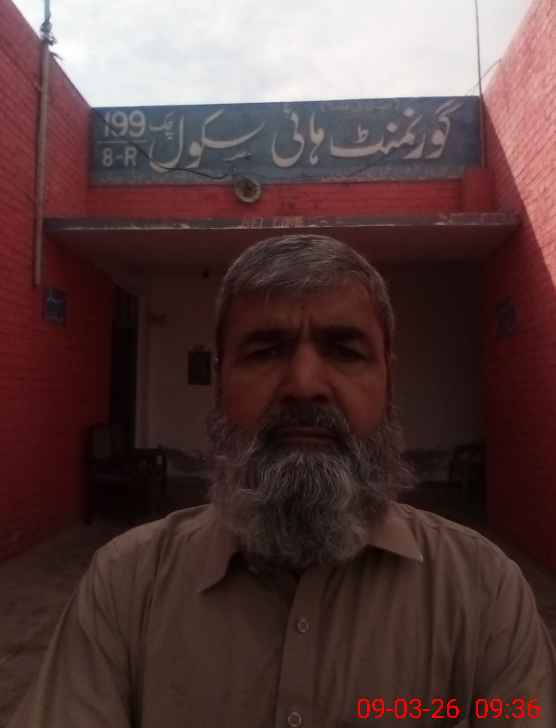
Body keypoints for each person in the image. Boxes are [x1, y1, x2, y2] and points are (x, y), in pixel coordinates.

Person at [9, 234, 556, 727]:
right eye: (266, 351)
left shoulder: (484, 594)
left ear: (388, 380)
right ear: (220, 381)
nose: (303, 383)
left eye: (344, 350)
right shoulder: (126, 587)